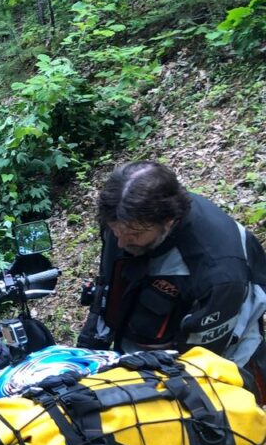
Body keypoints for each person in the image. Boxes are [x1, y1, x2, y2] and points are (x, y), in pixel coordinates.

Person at [77, 160, 266, 400]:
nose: (122, 243)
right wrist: (86, 358)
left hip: (219, 358)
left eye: (133, 235)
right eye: (116, 231)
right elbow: (108, 288)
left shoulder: (217, 271)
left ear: (168, 222)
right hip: (140, 339)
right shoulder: (124, 219)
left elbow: (198, 364)